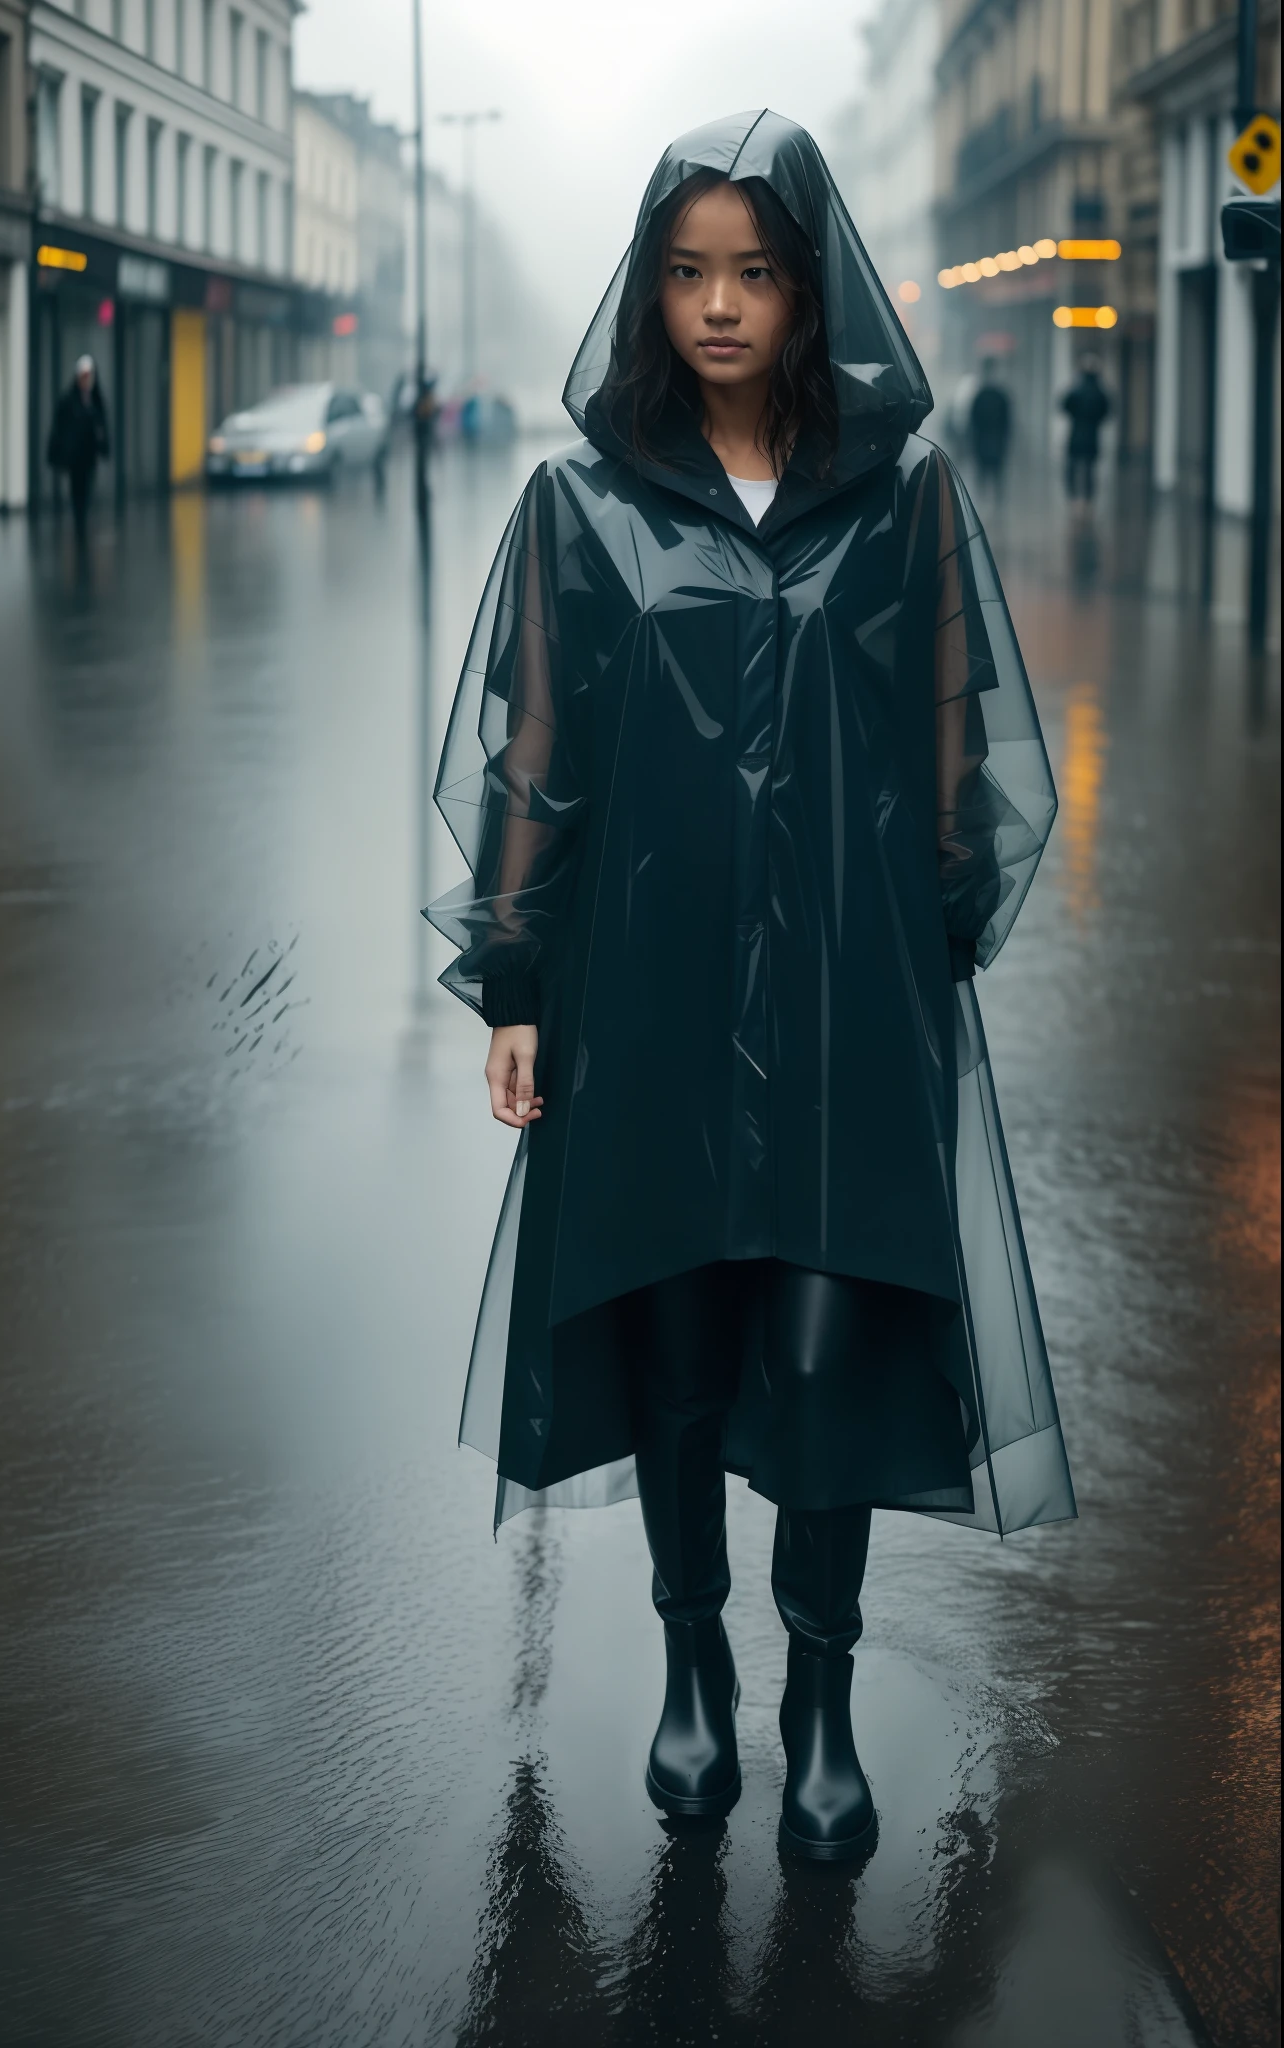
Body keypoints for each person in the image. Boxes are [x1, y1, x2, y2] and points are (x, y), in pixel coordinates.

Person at [424, 113, 1074, 1865]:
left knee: (829, 1334)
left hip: (854, 997)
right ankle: (696, 1664)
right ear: (653, 292)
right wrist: (513, 981)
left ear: (812, 285)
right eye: (689, 271)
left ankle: (825, 1696)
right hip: (645, 1003)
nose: (720, 305)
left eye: (756, 270)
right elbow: (535, 754)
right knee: (685, 1344)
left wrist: (935, 944)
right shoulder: (583, 504)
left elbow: (958, 743)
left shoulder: (904, 492)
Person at [47, 355, 110, 544]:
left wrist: (103, 447)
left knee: (86, 489)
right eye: (83, 376)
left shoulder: (95, 400)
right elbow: (60, 427)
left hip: (89, 455)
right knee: (77, 490)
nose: (86, 380)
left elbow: (102, 426)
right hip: (75, 456)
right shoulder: (69, 400)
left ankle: (82, 521)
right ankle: (78, 523)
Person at [1060, 356, 1111, 502]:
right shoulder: (1100, 392)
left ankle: (1073, 497)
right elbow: (1106, 412)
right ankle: (1088, 499)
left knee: (1072, 467)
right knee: (1089, 469)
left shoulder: (1076, 390)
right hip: (1092, 435)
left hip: (1076, 434)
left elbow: (1064, 406)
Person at [968, 359, 1011, 496]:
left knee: (986, 475)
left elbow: (972, 421)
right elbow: (1007, 422)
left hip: (986, 441)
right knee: (995, 475)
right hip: (994, 441)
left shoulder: (980, 396)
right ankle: (992, 503)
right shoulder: (999, 395)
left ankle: (984, 502)